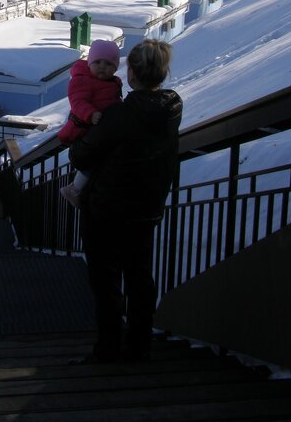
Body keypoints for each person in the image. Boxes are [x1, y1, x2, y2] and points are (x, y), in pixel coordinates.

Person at [69, 39, 182, 364]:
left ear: (130, 74)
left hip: (106, 209)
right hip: (147, 208)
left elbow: (81, 155)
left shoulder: (119, 115)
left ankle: (108, 348)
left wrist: (78, 128)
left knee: (106, 281)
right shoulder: (171, 108)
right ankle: (139, 346)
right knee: (139, 276)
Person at [58, 39, 122, 209]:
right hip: (84, 128)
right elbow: (77, 102)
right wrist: (90, 114)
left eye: (108, 64)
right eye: (98, 62)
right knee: (92, 161)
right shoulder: (82, 80)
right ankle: (73, 189)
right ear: (90, 62)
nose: (102, 66)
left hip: (100, 128)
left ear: (115, 68)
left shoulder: (113, 83)